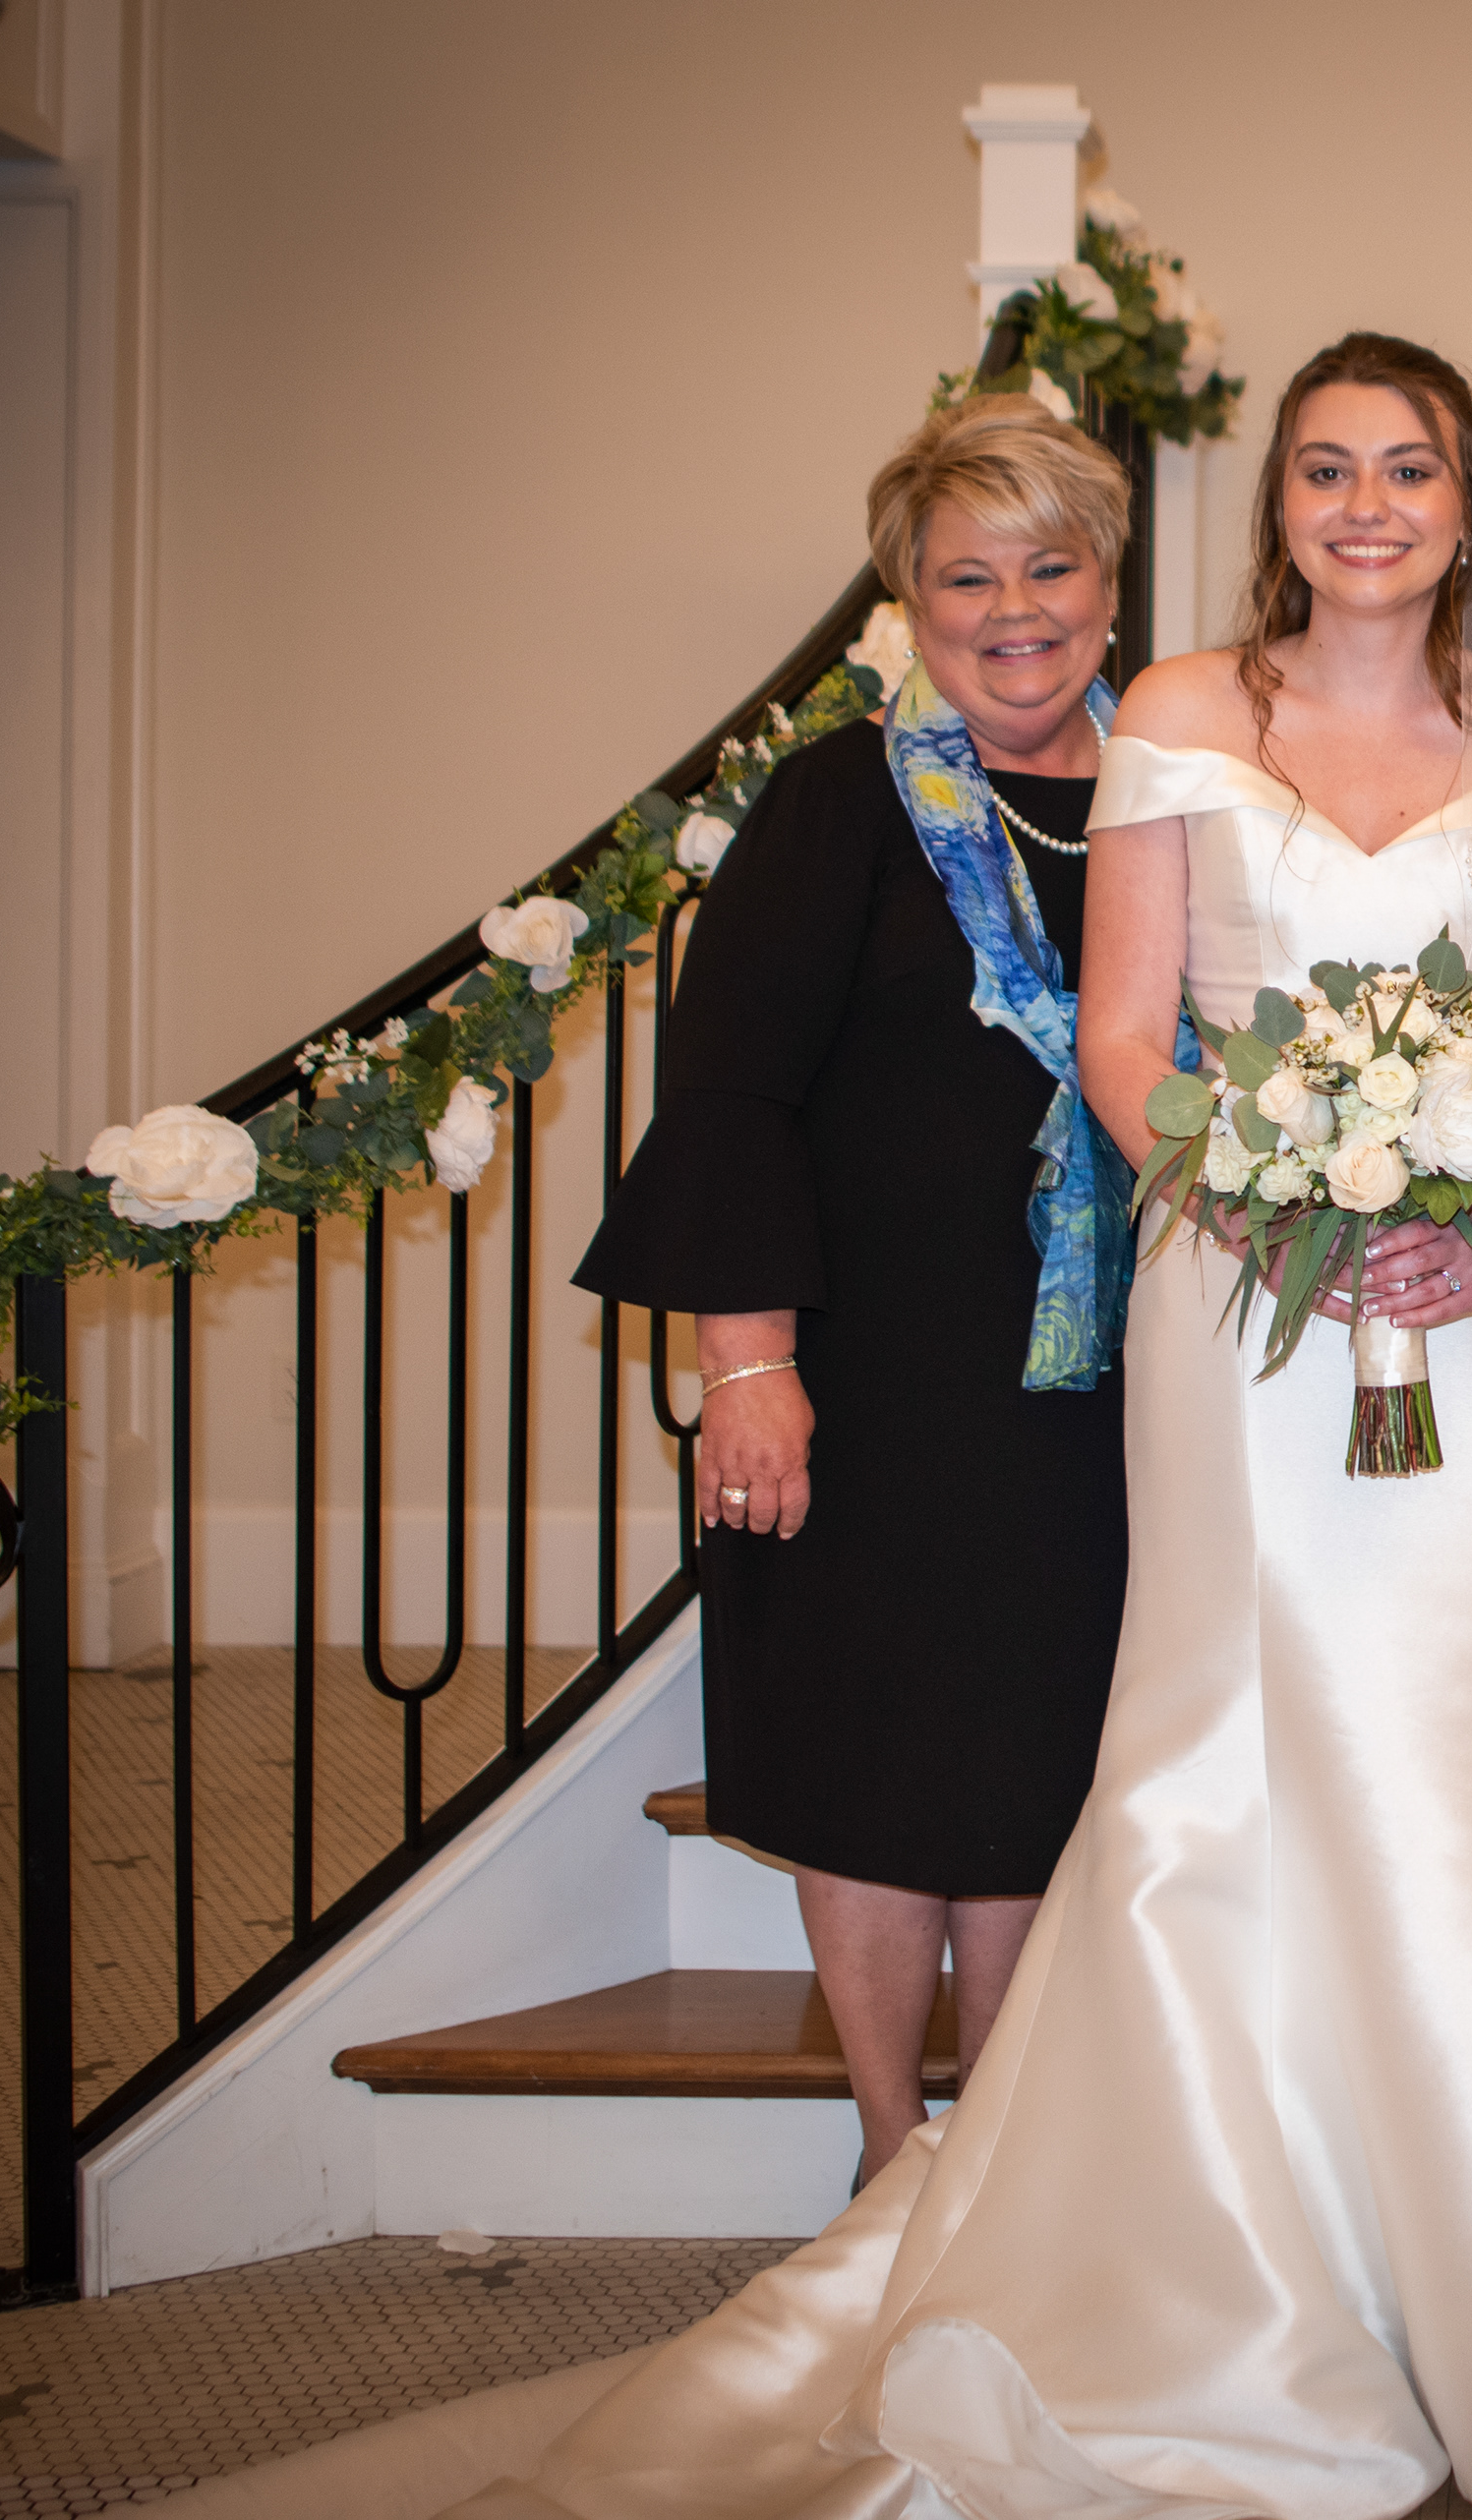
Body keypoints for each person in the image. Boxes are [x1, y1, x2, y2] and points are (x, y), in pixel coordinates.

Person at [179, 339, 1472, 2520]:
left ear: (1461, 502)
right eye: (1326, 466)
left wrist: (1468, 1214)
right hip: (1238, 1294)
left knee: (1458, 1737)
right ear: (1275, 505)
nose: (1368, 502)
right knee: (1225, 1736)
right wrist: (1275, 1190)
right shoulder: (1187, 715)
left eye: (1409, 466)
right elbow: (1126, 1036)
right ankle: (1201, 2243)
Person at [572, 394, 1132, 2186]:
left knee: (1048, 1761)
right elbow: (730, 1091)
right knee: (881, 1755)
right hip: (871, 1385)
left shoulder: (1180, 793)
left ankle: (1009, 2156)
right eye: (969, 575)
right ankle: (891, 2146)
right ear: (912, 601)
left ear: (1110, 586)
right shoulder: (839, 800)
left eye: (1051, 565)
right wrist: (748, 1367)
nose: (1015, 608)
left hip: (1104, 1390)